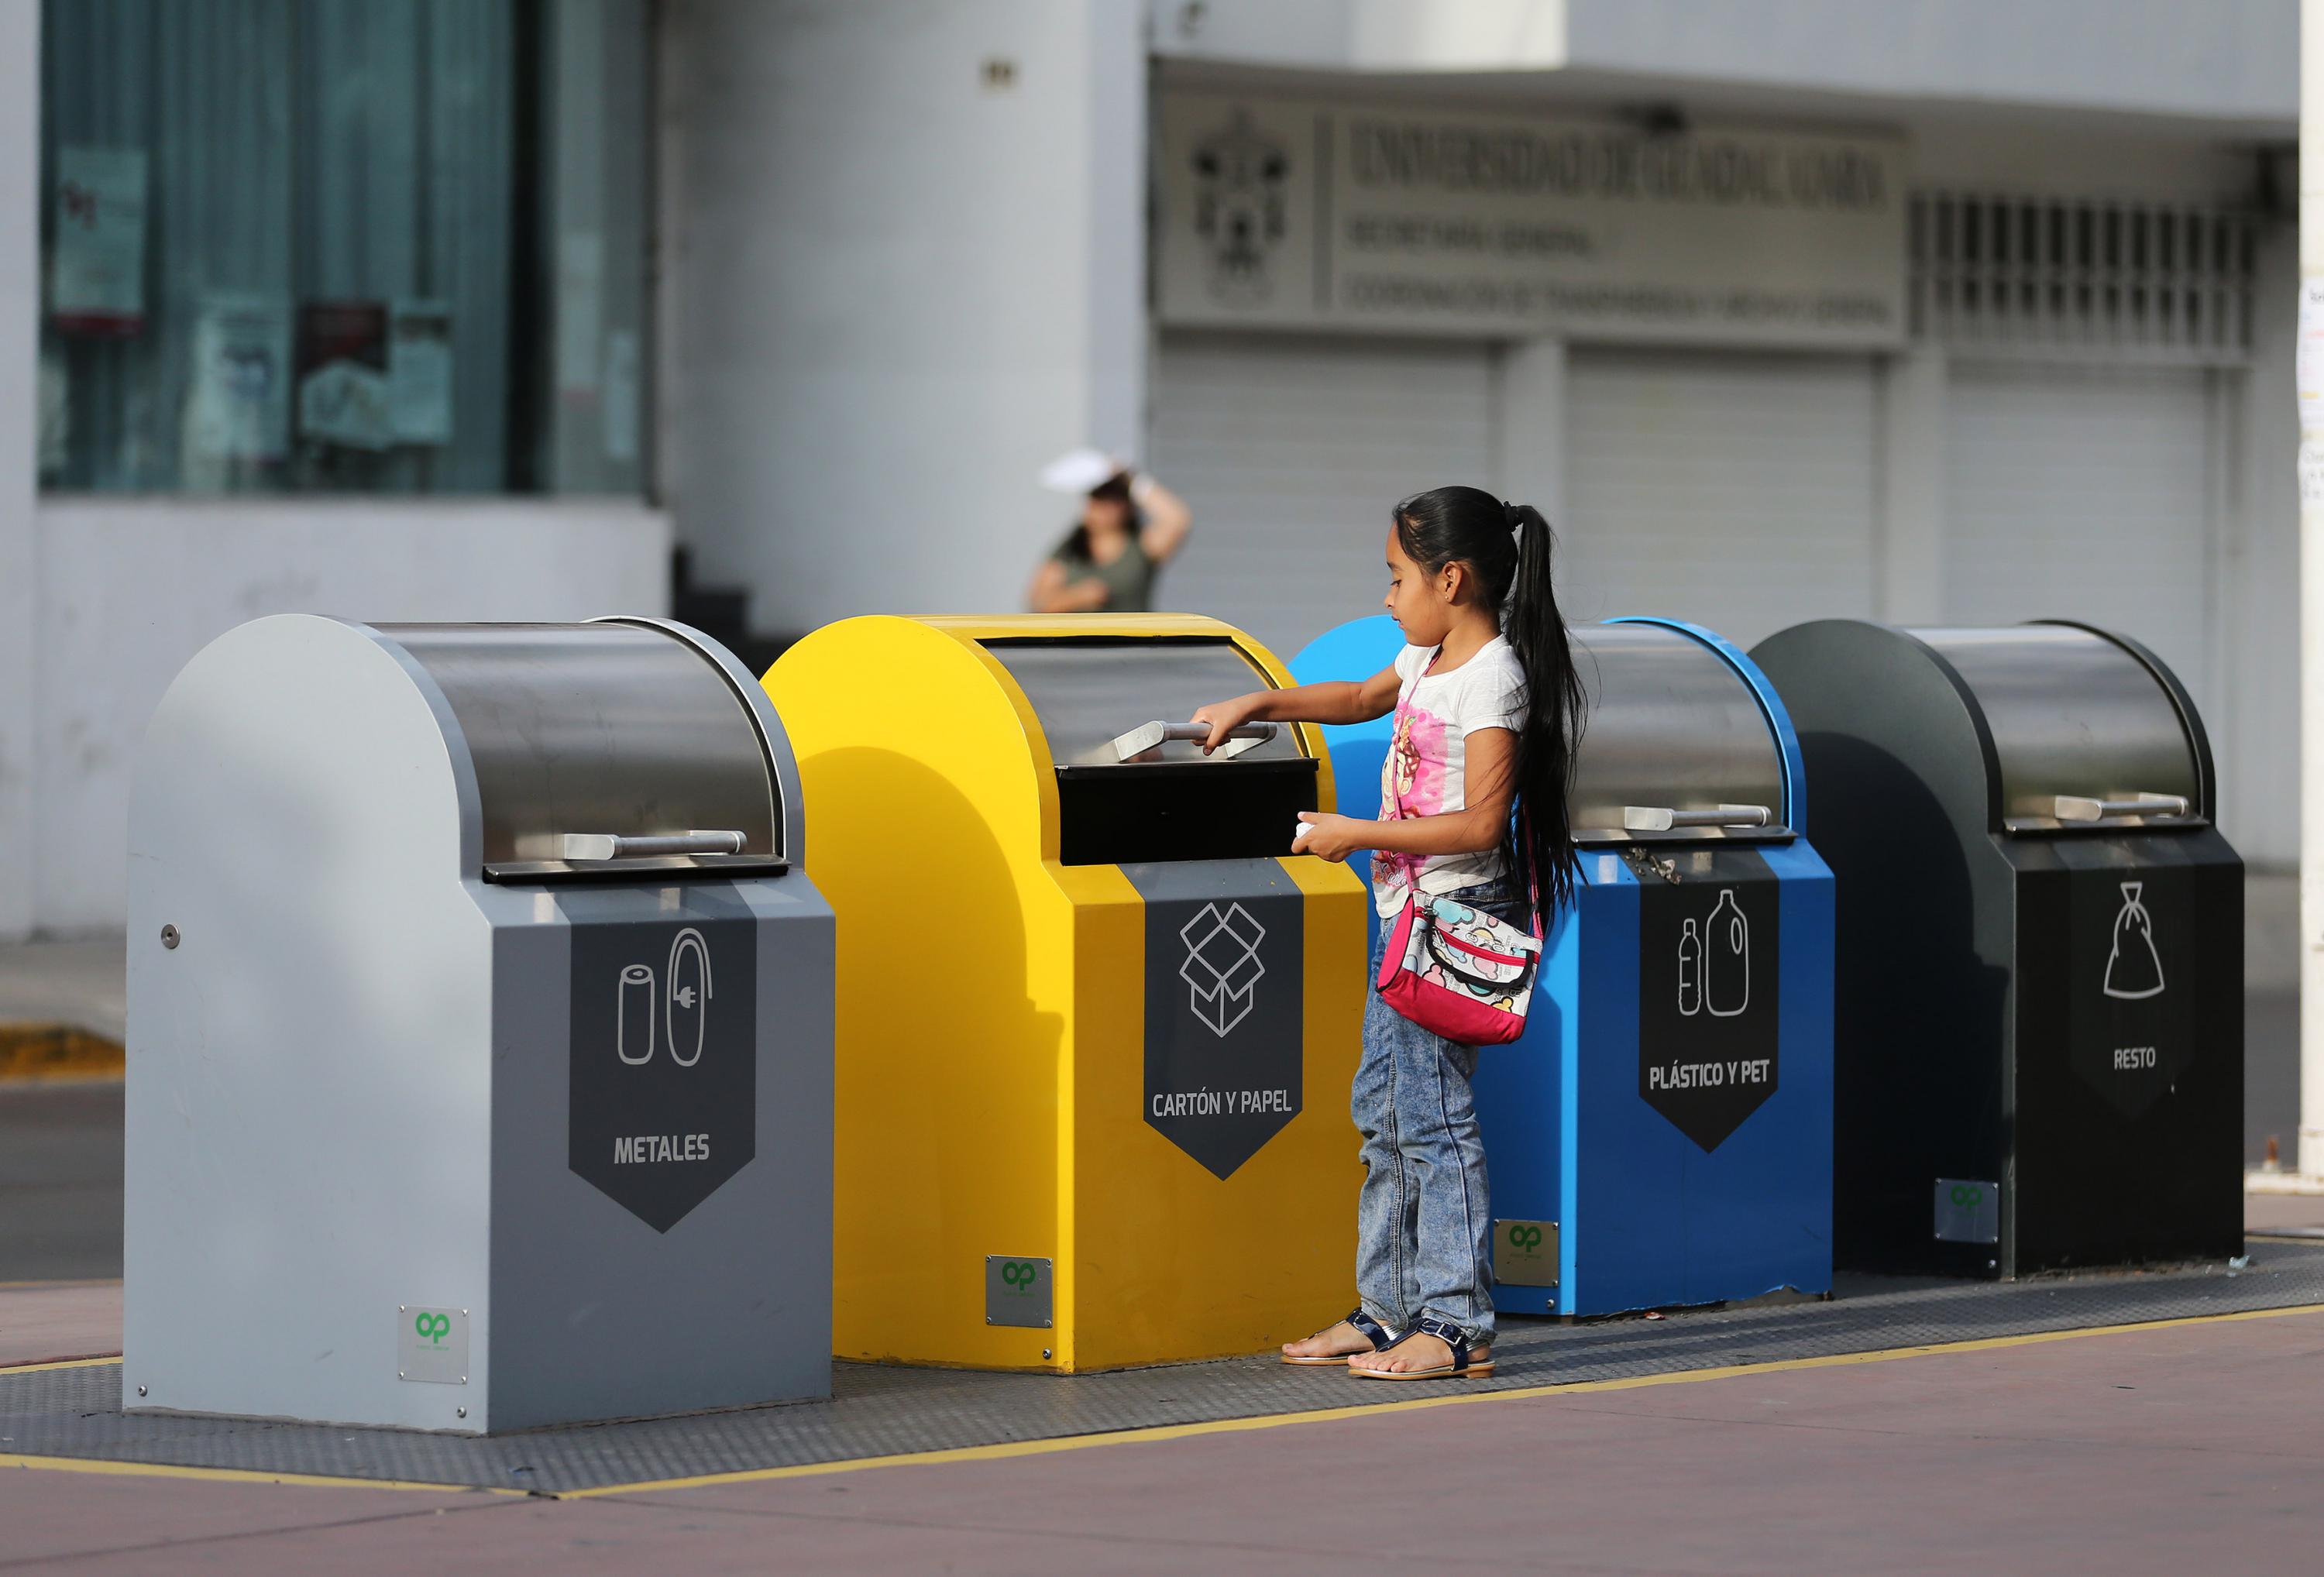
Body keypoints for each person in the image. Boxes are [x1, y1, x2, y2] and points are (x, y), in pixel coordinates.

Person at [1190, 485, 1583, 1380]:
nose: (1386, 595)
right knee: (1386, 1115)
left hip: (1452, 924)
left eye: (1396, 576)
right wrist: (1257, 706)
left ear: (1452, 577)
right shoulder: (1427, 657)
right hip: (1405, 920)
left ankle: (1454, 1324)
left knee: (1434, 1123)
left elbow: (1482, 826)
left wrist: (1352, 833)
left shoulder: (1492, 679)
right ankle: (1386, 1309)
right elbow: (1361, 696)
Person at [1026, 452, 1192, 613]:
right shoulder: (1070, 549)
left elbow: (1177, 521)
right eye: (1098, 496)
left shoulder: (1140, 546)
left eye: (1114, 498)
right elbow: (1038, 603)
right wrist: (1077, 597)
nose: (1104, 507)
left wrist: (1133, 481)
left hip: (1130, 640)